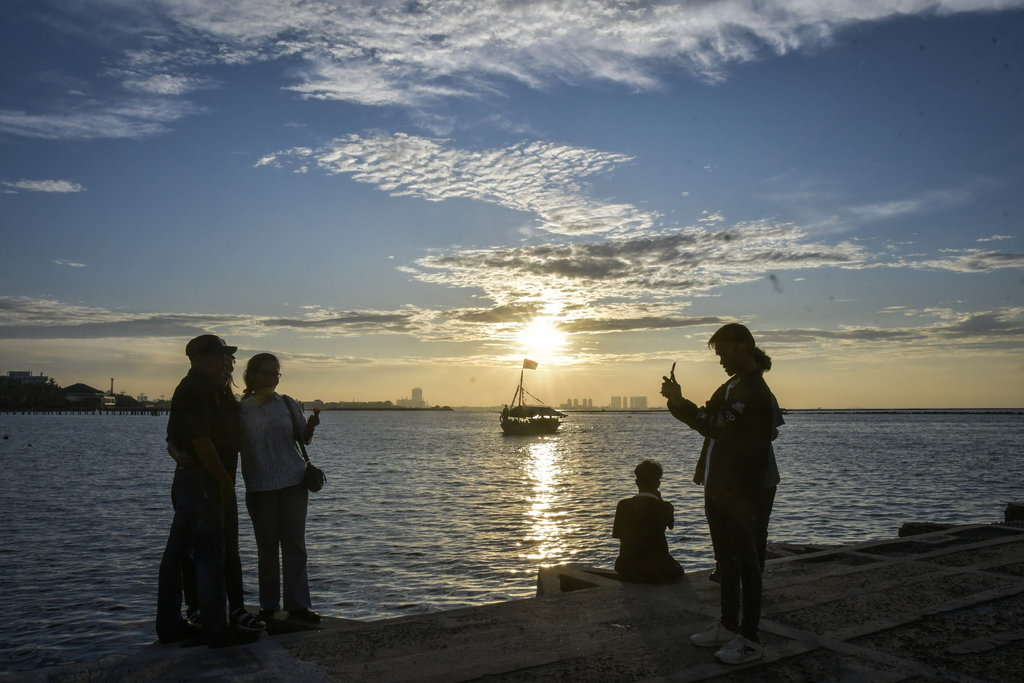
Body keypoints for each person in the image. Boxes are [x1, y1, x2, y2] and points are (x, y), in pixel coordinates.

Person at [660, 323, 779, 665]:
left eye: (725, 352)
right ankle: (728, 625)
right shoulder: (732, 386)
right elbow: (711, 418)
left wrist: (680, 404)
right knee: (725, 559)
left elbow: (714, 425)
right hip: (720, 487)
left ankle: (750, 638)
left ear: (745, 347)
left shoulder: (754, 390)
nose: (722, 360)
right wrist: (680, 401)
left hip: (744, 489)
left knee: (748, 561)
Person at [156, 335, 264, 647]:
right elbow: (200, 442)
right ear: (198, 358)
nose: (227, 361)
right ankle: (216, 627)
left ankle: (170, 626)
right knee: (209, 555)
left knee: (176, 556)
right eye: (220, 356)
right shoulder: (196, 389)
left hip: (195, 480)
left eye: (228, 357)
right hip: (203, 482)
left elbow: (176, 438)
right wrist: (223, 481)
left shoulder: (211, 389)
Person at [239, 353, 321, 625]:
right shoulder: (240, 409)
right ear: (251, 375)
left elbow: (303, 441)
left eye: (276, 373)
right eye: (266, 373)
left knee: (295, 546)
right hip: (260, 487)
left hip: (294, 483)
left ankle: (298, 606)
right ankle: (268, 605)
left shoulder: (287, 404)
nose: (272, 378)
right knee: (267, 549)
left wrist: (309, 427)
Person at [612, 460, 684, 583]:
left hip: (627, 568)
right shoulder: (665, 506)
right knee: (678, 569)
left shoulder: (623, 505)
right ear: (658, 484)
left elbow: (617, 534)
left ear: (636, 483)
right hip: (658, 569)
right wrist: (660, 499)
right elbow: (671, 525)